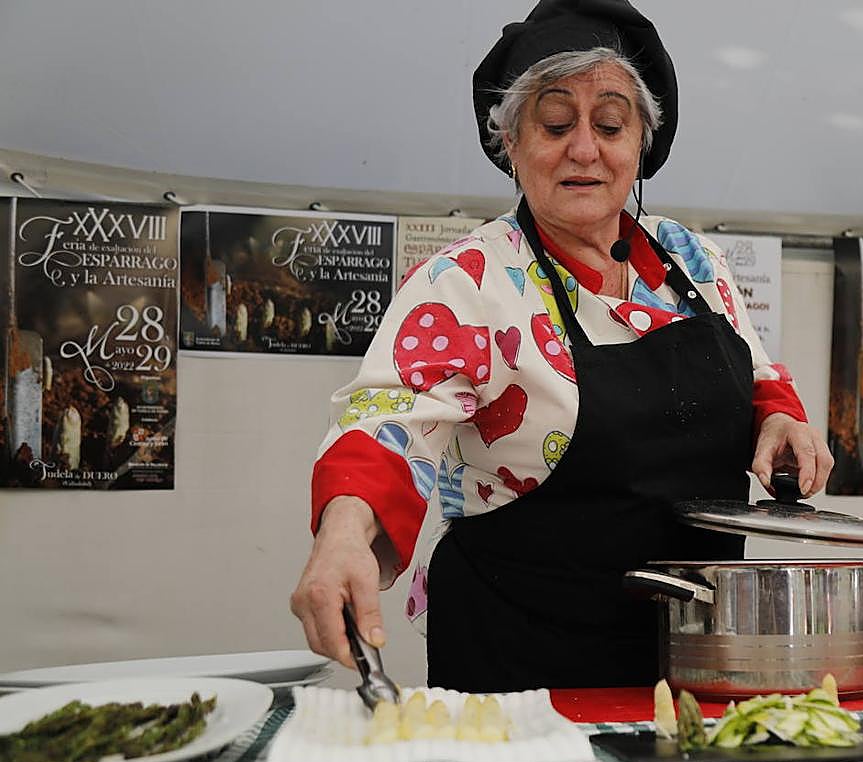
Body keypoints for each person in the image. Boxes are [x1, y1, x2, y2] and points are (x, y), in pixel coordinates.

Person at [290, 0, 833, 692]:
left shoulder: (692, 260)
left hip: (693, 662)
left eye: (610, 124)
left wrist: (779, 416)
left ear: (641, 146)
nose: (584, 148)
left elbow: (754, 371)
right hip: (520, 661)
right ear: (510, 143)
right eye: (554, 123)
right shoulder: (469, 281)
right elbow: (388, 421)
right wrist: (341, 539)